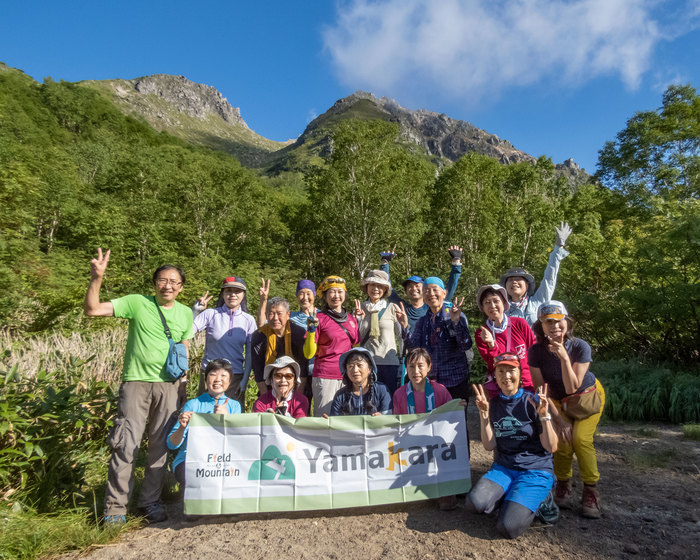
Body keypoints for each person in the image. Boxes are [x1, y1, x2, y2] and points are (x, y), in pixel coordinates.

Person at [83, 249, 194, 525]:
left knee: (160, 446)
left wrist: (182, 384)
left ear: (181, 287)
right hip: (136, 383)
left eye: (174, 282)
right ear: (155, 283)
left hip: (169, 386)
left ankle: (150, 502)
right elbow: (93, 309)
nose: (168, 285)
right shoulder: (136, 303)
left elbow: (184, 348)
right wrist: (97, 277)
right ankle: (115, 509)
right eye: (163, 280)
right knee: (125, 444)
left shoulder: (185, 313)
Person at [528, 301, 605, 519]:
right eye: (548, 322)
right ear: (541, 326)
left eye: (559, 321)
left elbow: (572, 386)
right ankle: (563, 483)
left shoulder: (580, 347)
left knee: (581, 440)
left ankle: (591, 490)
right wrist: (559, 421)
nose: (554, 326)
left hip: (586, 398)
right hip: (555, 400)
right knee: (562, 440)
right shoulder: (535, 351)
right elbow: (540, 389)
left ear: (567, 322)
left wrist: (563, 357)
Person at [467, 353, 558, 539]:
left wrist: (544, 415)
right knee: (474, 503)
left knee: (508, 527)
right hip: (504, 469)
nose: (506, 376)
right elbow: (489, 445)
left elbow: (551, 447)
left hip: (535, 470)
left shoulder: (532, 402)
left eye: (511, 370)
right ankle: (512, 497)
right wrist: (484, 417)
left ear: (520, 373)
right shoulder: (493, 404)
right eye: (501, 371)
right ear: (495, 375)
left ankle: (543, 499)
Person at [167, 359, 241, 487]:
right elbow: (171, 445)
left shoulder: (234, 406)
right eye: (213, 374)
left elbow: (237, 443)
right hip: (189, 460)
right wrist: (182, 427)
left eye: (223, 376)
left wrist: (226, 419)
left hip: (222, 461)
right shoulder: (193, 404)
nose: (218, 379)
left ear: (229, 382)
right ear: (206, 379)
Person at [403, 277, 472, 402]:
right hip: (432, 382)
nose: (431, 294)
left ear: (444, 293)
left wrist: (456, 322)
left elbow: (465, 345)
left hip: (455, 379)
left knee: (456, 420)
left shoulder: (453, 314)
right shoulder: (423, 321)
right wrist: (404, 326)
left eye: (435, 290)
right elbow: (414, 349)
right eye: (427, 291)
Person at [193, 276, 257, 410]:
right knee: (205, 415)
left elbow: (250, 354)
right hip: (209, 375)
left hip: (235, 377)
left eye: (237, 291)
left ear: (243, 295)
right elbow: (189, 331)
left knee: (232, 419)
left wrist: (244, 381)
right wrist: (196, 311)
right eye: (228, 291)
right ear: (222, 294)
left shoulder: (248, 320)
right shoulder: (211, 314)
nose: (232, 295)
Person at [304, 276, 361, 417]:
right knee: (325, 420)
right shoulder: (319, 319)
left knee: (348, 419)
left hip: (348, 377)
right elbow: (308, 354)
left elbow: (356, 348)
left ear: (345, 294)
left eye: (340, 292)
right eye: (332, 292)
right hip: (325, 376)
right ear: (325, 296)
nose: (336, 296)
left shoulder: (351, 319)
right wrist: (311, 331)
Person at [500, 222, 571, 327]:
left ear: (527, 285)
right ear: (505, 286)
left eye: (519, 279)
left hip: (535, 343)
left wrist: (558, 247)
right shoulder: (501, 307)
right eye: (510, 280)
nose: (514, 282)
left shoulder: (538, 301)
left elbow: (549, 279)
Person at [474, 284, 536, 399]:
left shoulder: (519, 323)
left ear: (504, 302)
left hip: (527, 385)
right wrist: (492, 345)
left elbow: (534, 351)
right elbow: (492, 364)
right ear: (482, 307)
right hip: (502, 388)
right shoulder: (481, 333)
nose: (492, 306)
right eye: (487, 303)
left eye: (496, 301)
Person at [380, 246, 463, 330]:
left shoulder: (433, 306)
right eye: (409, 286)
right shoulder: (402, 308)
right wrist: (384, 263)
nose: (413, 289)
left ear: (424, 290)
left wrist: (456, 261)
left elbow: (450, 286)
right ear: (405, 292)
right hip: (409, 342)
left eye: (417, 286)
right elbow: (388, 286)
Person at [356, 269, 404, 395]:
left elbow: (401, 336)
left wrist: (404, 359)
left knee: (388, 400)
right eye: (372, 285)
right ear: (367, 287)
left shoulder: (392, 308)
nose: (375, 289)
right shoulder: (360, 309)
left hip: (388, 362)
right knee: (367, 400)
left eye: (379, 286)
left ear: (385, 290)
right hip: (367, 362)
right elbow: (357, 338)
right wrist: (358, 320)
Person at [251, 297, 310, 396]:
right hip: (269, 385)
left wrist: (297, 398)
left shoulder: (298, 333)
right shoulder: (259, 336)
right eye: (271, 313)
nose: (275, 318)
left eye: (279, 314)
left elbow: (303, 369)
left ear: (288, 315)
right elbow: (258, 371)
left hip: (295, 385)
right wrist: (267, 398)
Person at [329, 348, 392, 416]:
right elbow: (335, 421)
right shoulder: (340, 395)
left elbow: (389, 417)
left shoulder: (381, 390)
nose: (355, 370)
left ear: (369, 369)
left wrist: (382, 417)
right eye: (351, 366)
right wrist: (328, 421)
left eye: (359, 365)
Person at [392, 348, 453, 414]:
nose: (416, 371)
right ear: (406, 368)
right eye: (411, 366)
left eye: (420, 366)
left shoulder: (440, 391)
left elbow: (451, 414)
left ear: (429, 367)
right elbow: (397, 421)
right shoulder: (399, 394)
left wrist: (459, 406)